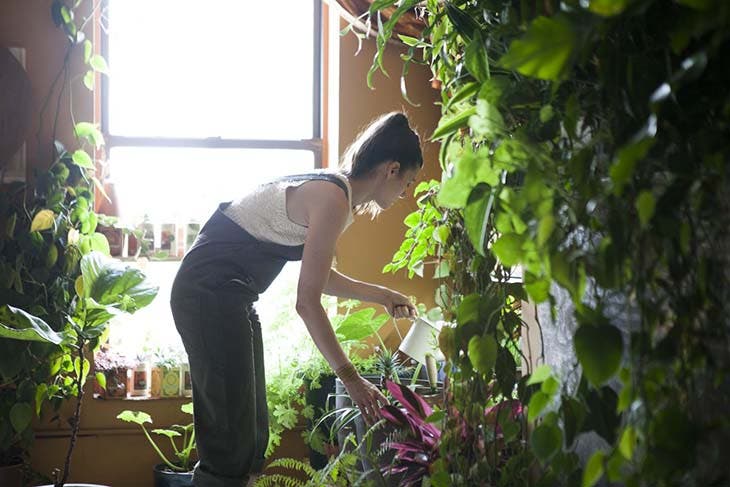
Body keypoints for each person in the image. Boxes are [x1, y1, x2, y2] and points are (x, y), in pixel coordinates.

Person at [170, 111, 422, 487]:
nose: (406, 193)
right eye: (408, 182)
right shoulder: (332, 199)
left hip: (232, 297)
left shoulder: (337, 196)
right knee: (228, 444)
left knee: (252, 436)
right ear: (391, 169)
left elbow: (321, 277)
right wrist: (351, 378)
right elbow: (307, 303)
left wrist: (381, 295)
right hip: (209, 294)